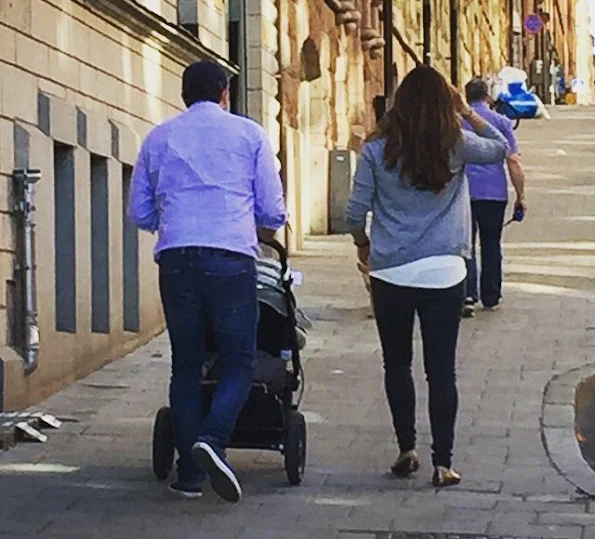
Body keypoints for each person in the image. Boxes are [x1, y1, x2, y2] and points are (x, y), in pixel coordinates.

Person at [128, 61, 287, 502]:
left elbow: (139, 213)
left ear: (183, 96)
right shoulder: (250, 135)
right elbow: (273, 212)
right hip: (231, 258)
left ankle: (188, 477)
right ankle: (212, 440)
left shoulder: (159, 137)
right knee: (239, 361)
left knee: (186, 363)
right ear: (224, 94)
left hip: (177, 258)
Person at [345, 65, 508, 487]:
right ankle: (444, 462)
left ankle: (406, 449)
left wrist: (363, 244)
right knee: (442, 370)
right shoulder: (455, 144)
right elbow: (500, 147)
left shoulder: (376, 149)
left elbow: (352, 211)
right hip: (445, 272)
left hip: (391, 273)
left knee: (397, 363)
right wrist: (468, 112)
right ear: (444, 104)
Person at [462, 78, 527, 318]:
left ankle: (466, 295)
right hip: (493, 193)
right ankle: (490, 295)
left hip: (462, 193)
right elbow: (513, 161)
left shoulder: (455, 122)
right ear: (488, 97)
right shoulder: (501, 122)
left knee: (464, 244)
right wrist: (521, 196)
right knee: (491, 244)